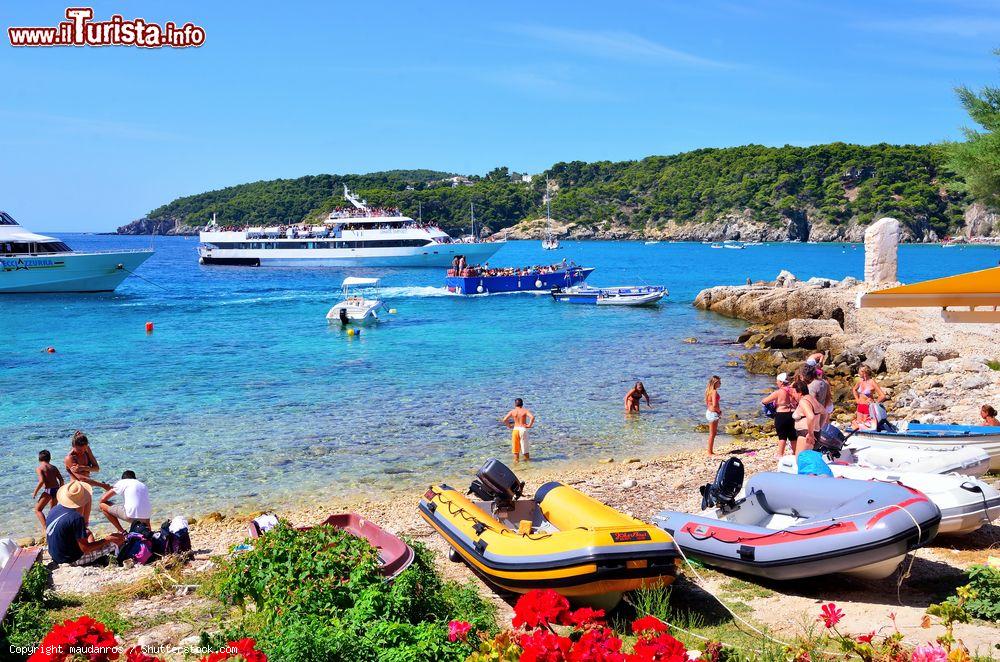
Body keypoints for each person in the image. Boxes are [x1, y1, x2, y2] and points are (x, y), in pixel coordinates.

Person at [45, 481, 124, 567]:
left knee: (88, 532)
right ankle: (113, 560)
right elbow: (85, 549)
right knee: (118, 540)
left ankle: (96, 555)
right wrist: (107, 539)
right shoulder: (76, 517)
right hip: (70, 560)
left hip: (55, 555)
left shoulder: (55, 509)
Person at [63, 431, 110, 524]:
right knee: (78, 520)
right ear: (73, 446)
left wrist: (83, 467)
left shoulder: (86, 451)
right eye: (79, 450)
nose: (82, 452)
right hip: (77, 489)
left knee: (85, 521)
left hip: (87, 488)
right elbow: (81, 478)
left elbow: (96, 468)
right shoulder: (70, 458)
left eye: (84, 449)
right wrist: (102, 485)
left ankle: (84, 537)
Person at [99, 471, 152, 535]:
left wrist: (109, 490)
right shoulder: (143, 485)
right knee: (142, 506)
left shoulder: (123, 482)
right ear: (134, 478)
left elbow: (102, 499)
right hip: (146, 519)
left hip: (130, 516)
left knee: (102, 505)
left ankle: (121, 531)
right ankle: (148, 532)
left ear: (123, 478)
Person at [761, 373, 798, 457]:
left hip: (781, 415)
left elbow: (764, 401)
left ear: (781, 382)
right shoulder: (793, 390)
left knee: (782, 436)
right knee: (793, 435)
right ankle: (796, 453)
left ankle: (780, 454)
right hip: (793, 414)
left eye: (777, 381)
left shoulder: (778, 392)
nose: (776, 383)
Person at [32, 450, 64, 537]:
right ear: (49, 458)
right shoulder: (53, 467)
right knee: (52, 511)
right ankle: (54, 527)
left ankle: (46, 528)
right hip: (56, 489)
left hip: (48, 490)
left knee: (38, 510)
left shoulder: (40, 468)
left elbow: (41, 481)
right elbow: (61, 480)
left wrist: (35, 492)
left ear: (39, 459)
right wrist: (60, 490)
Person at [792, 381, 823, 455]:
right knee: (810, 460)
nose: (793, 395)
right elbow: (825, 412)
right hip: (816, 433)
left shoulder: (803, 401)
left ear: (800, 392)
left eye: (794, 392)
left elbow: (811, 416)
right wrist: (819, 426)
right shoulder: (813, 399)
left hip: (806, 434)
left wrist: (810, 434)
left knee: (800, 459)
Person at [704, 376, 722, 455]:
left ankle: (710, 451)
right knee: (712, 434)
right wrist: (719, 411)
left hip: (709, 412)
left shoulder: (708, 391)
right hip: (713, 413)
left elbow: (708, 403)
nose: (720, 384)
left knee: (712, 433)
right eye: (719, 382)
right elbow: (714, 405)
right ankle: (709, 452)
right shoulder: (714, 392)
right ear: (715, 383)